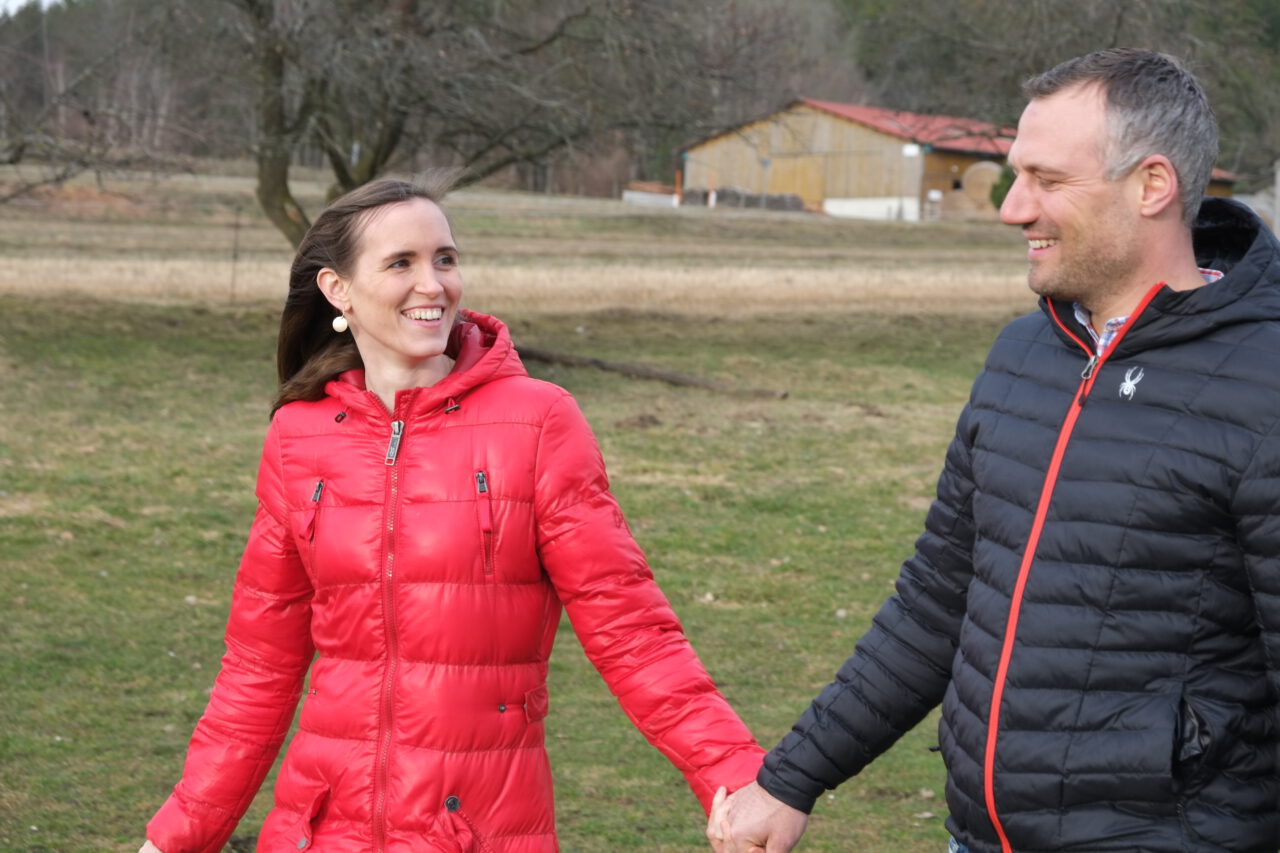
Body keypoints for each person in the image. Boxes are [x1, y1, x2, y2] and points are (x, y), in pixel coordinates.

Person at [709, 48, 1280, 853]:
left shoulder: (1263, 382)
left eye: (1047, 179)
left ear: (1153, 185)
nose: (1014, 208)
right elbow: (935, 603)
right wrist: (791, 777)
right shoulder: (1023, 357)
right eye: (1016, 176)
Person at [138, 174, 764, 853]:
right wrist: (177, 837)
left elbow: (633, 631)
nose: (433, 284)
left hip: (474, 831)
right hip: (317, 830)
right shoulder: (299, 436)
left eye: (445, 258)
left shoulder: (538, 422)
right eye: (400, 263)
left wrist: (735, 776)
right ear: (337, 289)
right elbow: (257, 669)